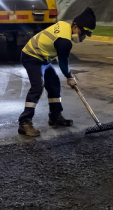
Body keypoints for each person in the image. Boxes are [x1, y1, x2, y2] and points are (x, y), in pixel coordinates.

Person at [17, 7, 96, 137]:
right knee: (37, 87)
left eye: (86, 35)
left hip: (43, 58)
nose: (83, 37)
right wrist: (70, 77)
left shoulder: (65, 26)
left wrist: (68, 75)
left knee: (54, 84)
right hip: (31, 56)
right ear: (75, 27)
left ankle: (55, 117)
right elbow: (63, 63)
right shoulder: (65, 41)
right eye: (83, 33)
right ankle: (24, 123)